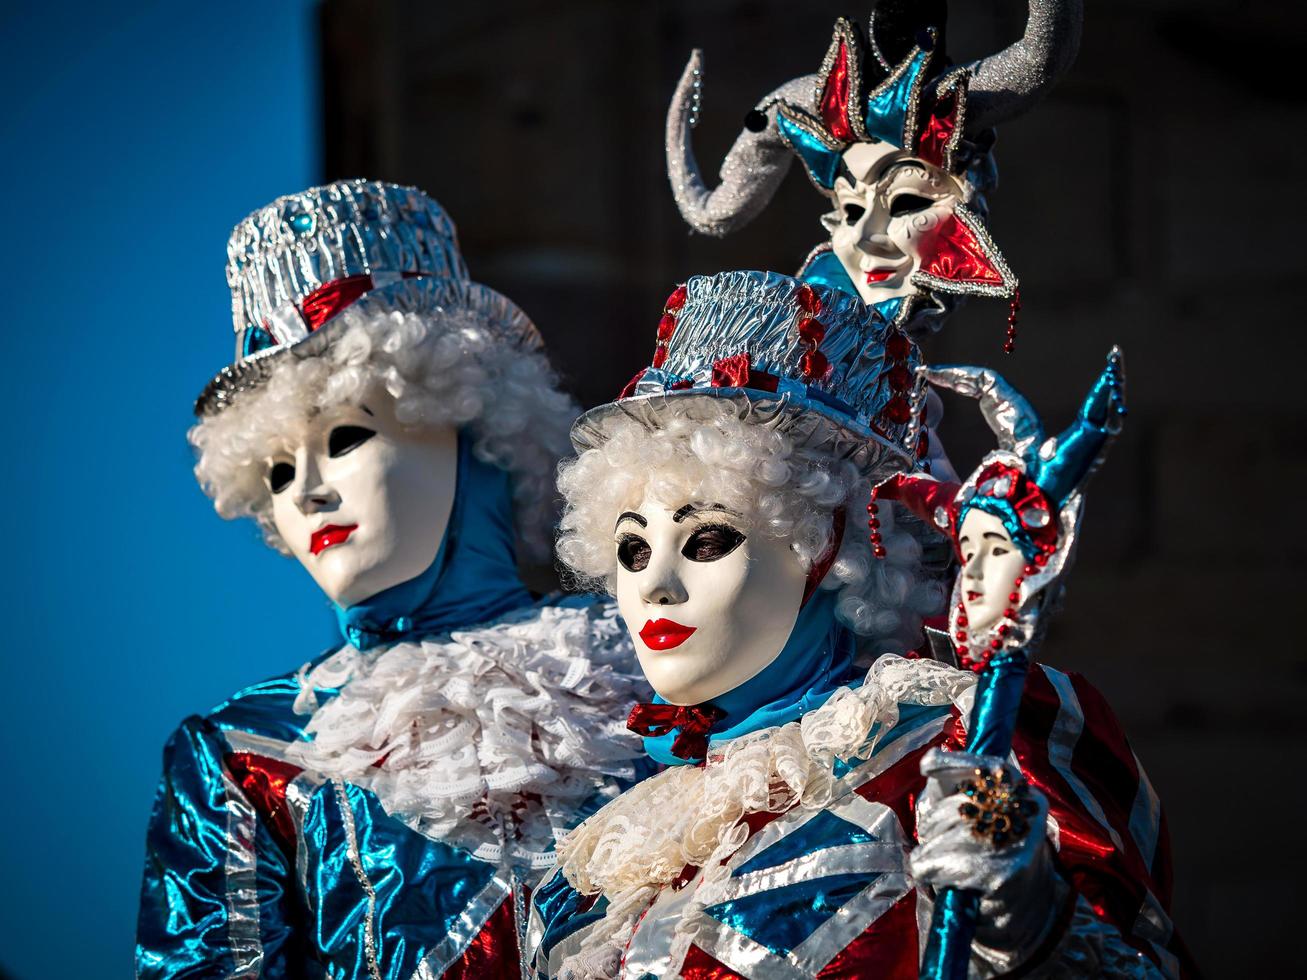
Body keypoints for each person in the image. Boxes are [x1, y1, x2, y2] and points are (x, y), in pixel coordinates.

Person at [526, 273, 1190, 977]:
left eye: (709, 541)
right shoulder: (606, 847)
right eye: (631, 549)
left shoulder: (953, 745)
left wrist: (1028, 920)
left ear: (831, 551)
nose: (654, 586)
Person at [136, 180, 647, 979]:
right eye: (276, 472)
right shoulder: (252, 754)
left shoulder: (658, 672)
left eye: (344, 437)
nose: (306, 492)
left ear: (474, 430)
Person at [666, 1, 1082, 344]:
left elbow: (1041, 55)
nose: (865, 237)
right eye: (850, 211)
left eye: (906, 202)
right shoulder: (766, 374)